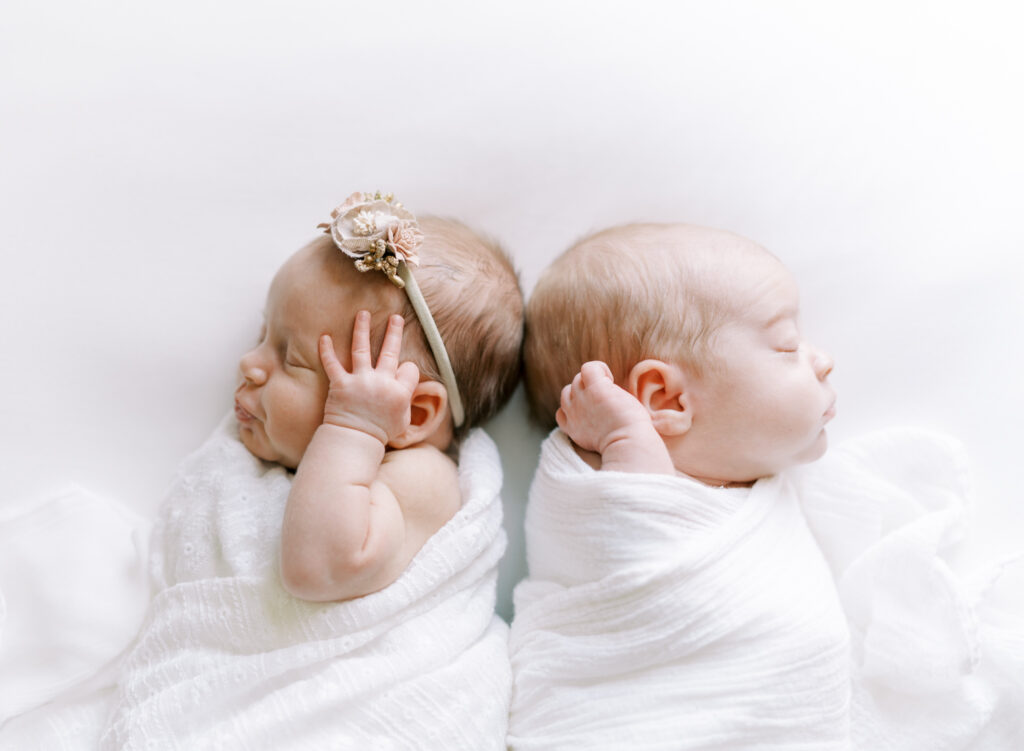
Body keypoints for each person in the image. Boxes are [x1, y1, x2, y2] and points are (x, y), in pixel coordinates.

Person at [1, 192, 523, 750]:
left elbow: (318, 568)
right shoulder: (265, 466)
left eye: (290, 358)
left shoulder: (424, 480)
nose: (250, 364)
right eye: (261, 337)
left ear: (412, 415)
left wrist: (351, 430)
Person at [508, 223, 1024, 750]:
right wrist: (623, 434)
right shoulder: (610, 493)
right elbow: (635, 521)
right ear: (664, 400)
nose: (822, 359)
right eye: (785, 346)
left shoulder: (767, 497)